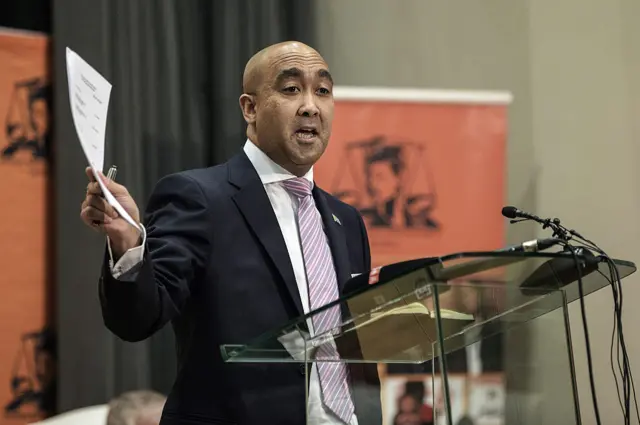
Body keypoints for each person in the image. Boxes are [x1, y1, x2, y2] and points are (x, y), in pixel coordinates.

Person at [80, 41, 381, 425]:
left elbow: (353, 345)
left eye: (323, 90)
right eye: (291, 89)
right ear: (250, 108)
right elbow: (137, 318)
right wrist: (127, 241)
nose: (311, 106)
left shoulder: (346, 220)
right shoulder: (199, 197)